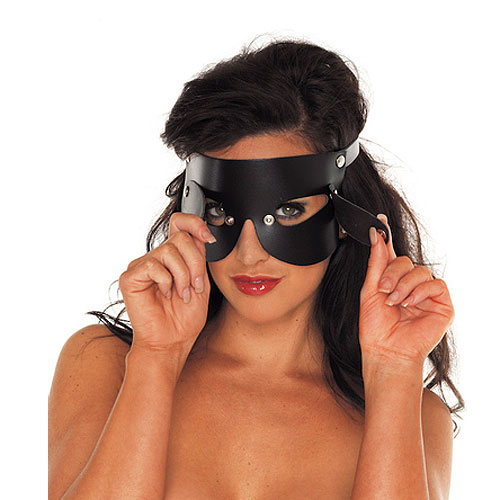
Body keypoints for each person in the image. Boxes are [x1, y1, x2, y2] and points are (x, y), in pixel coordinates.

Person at [48, 37, 464, 500]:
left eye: (287, 212)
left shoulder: (413, 413)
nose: (249, 254)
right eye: (220, 212)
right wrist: (157, 358)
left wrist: (393, 371)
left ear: (346, 216)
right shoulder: (106, 365)